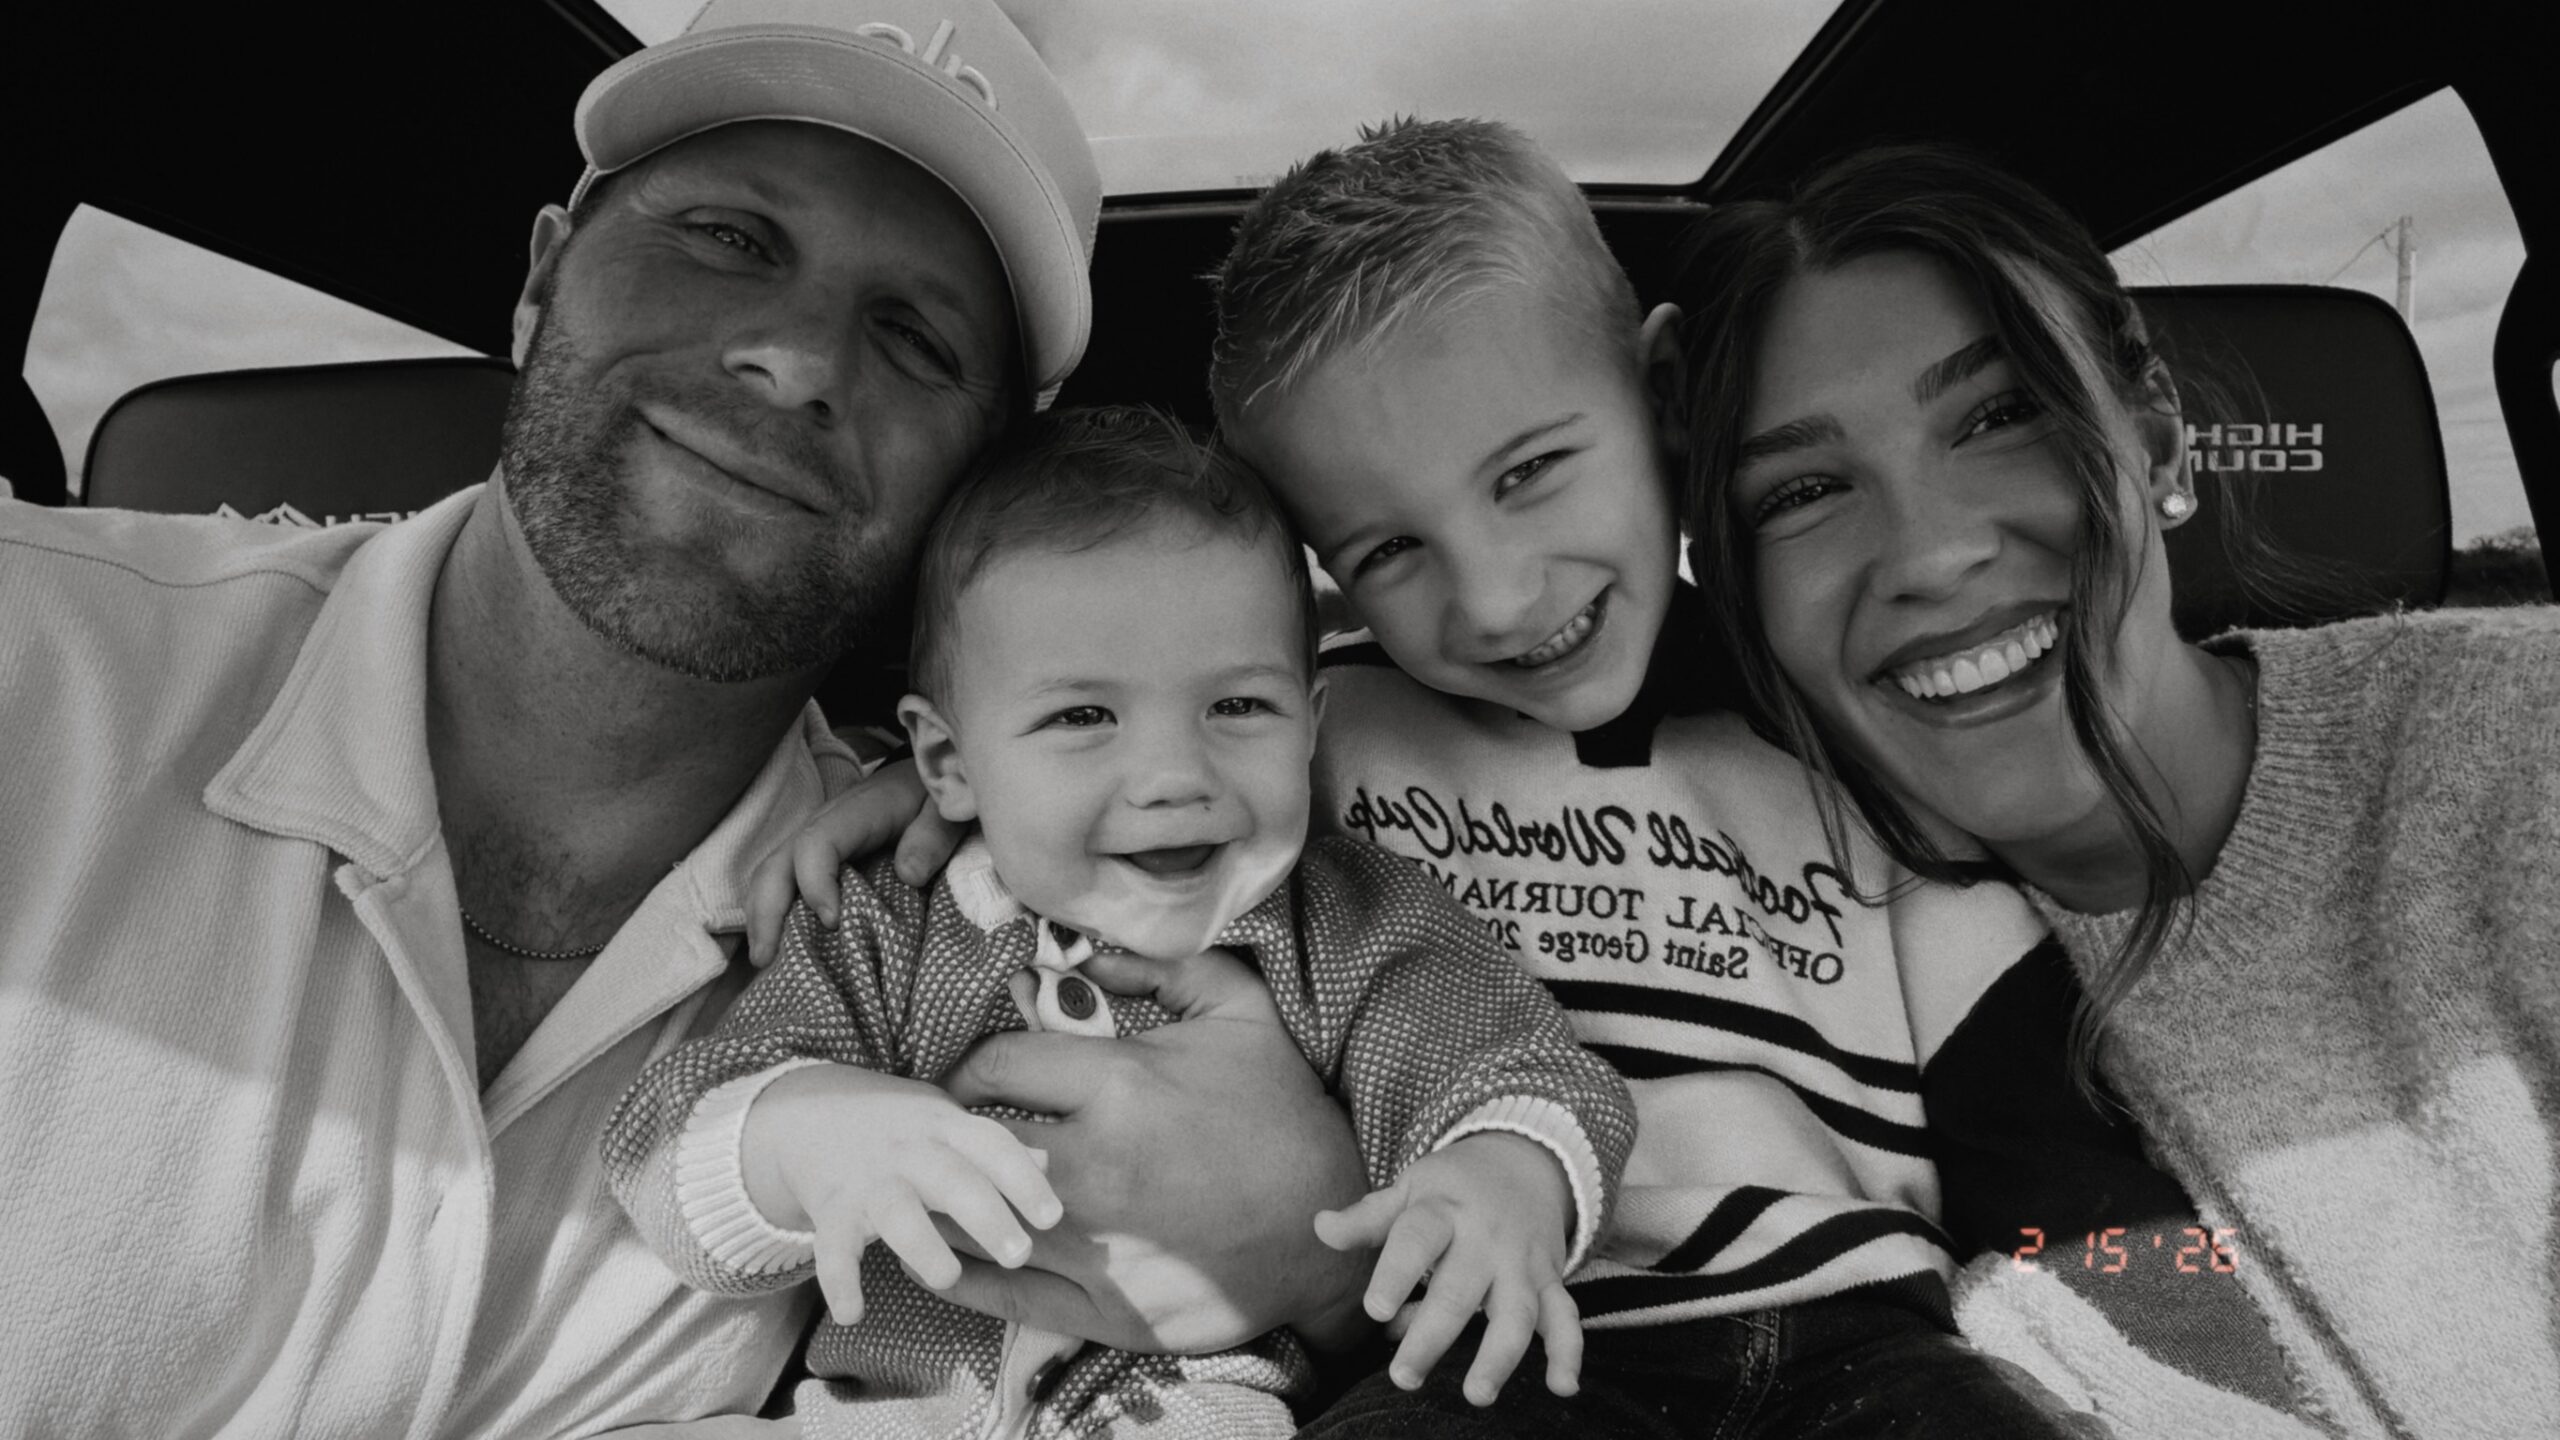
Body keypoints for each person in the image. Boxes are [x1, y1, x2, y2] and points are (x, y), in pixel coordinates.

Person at [0, 2, 1379, 1433]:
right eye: (729, 238)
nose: (797, 360)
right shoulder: (36, 648)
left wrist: (1324, 1255)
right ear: (542, 280)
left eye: (915, 337)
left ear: (975, 479)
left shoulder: (935, 926)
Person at [769, 118, 2103, 1438]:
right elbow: (1135, 772)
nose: (1498, 596)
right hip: (1470, 1357)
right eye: (1389, 552)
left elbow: (2064, 1198)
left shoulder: (1858, 745)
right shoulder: (1312, 744)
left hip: (1852, 1332)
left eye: (1531, 472)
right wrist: (955, 795)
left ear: (1664, 396)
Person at [1675, 142, 2560, 1437]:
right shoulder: (1735, 958)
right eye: (1804, 491)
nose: (1932, 555)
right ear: (1734, 589)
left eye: (1999, 417)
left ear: (2153, 442)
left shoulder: (2525, 743)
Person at [603, 406, 1636, 1438]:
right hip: (882, 1410)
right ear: (949, 763)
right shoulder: (885, 925)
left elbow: (1516, 1065)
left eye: (1238, 708)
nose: (1173, 777)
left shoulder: (1347, 927)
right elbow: (663, 1137)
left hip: (1188, 1402)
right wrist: (809, 1136)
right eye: (1082, 717)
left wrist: (1504, 1177)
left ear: (1311, 726)